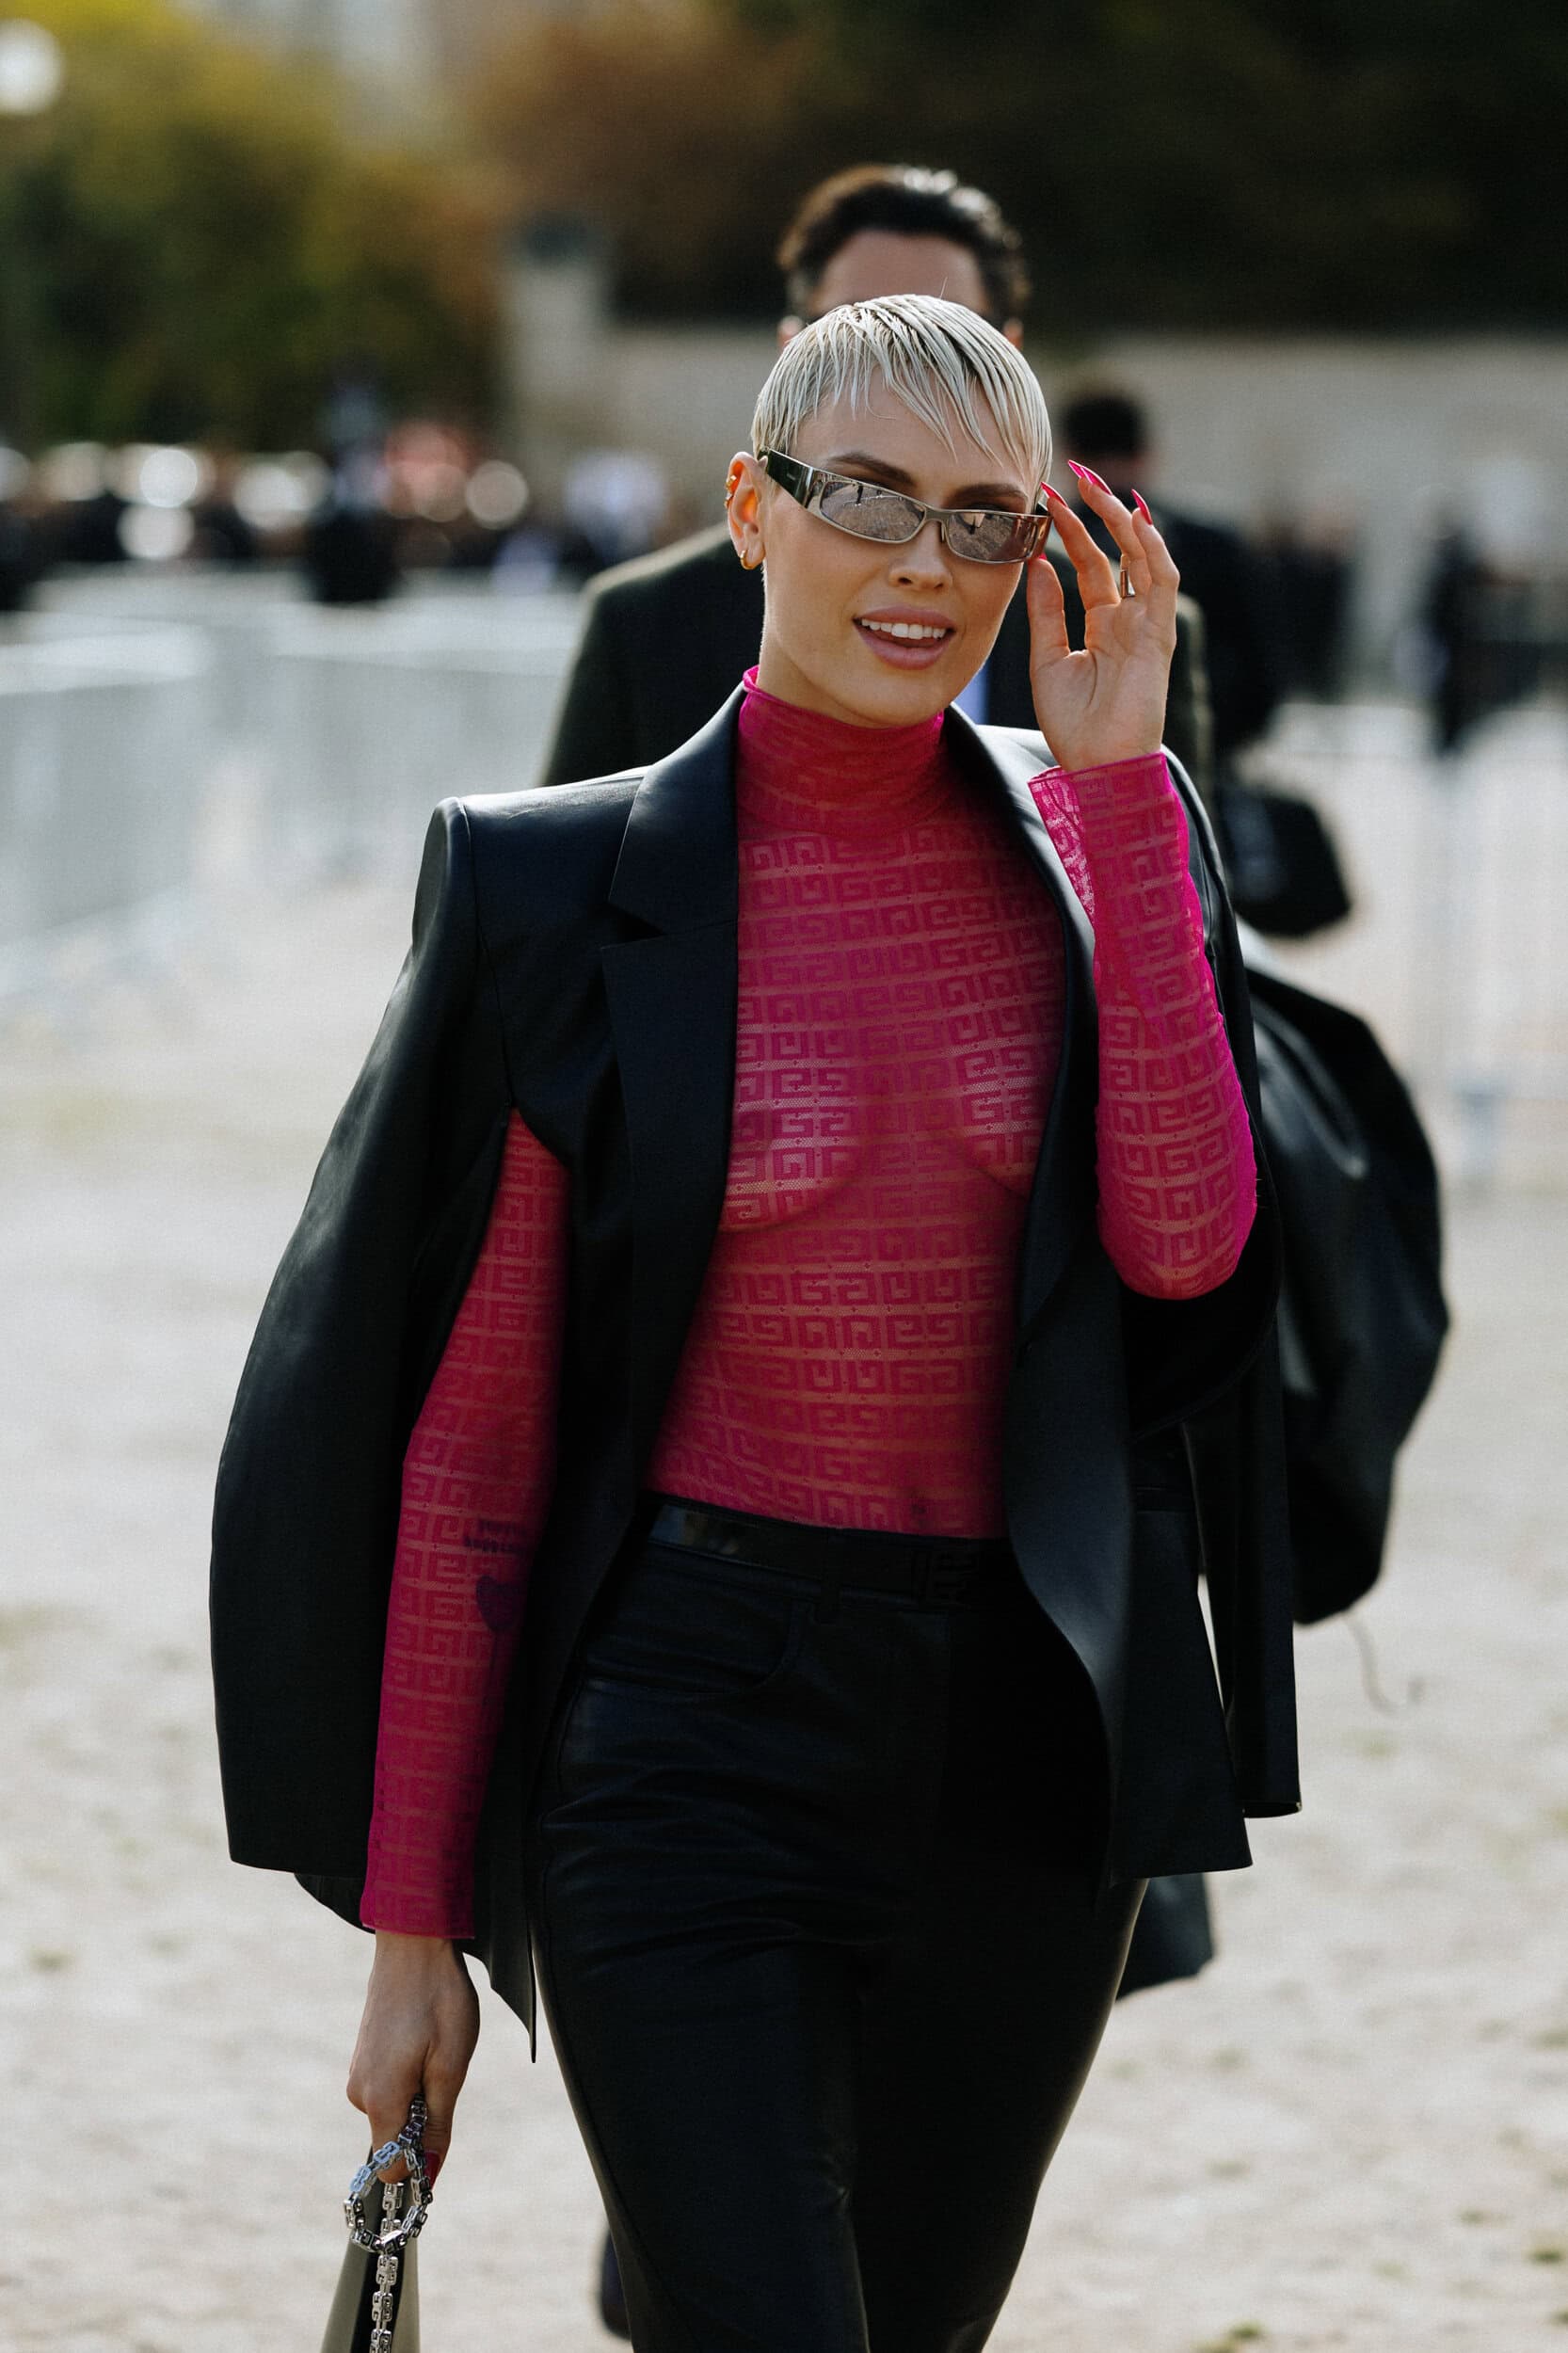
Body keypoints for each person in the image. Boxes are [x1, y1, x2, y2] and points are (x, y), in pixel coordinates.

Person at [211, 297, 1297, 2353]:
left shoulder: (1102, 842)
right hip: (681, 1737)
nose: (922, 566)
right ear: (747, 507)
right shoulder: (553, 889)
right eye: (865, 496)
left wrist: (1124, 794)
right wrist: (414, 1929)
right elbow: (475, 1445)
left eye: (984, 520)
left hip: (1021, 1757)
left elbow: (1182, 1258)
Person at [541, 166, 1214, 803]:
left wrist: (1114, 797)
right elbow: (572, 862)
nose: (903, 360)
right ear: (791, 351)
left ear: (1008, 358)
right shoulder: (646, 621)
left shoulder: (1119, 637)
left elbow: (1184, 879)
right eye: (856, 325)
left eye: (952, 334)